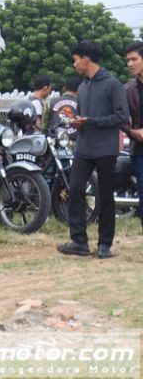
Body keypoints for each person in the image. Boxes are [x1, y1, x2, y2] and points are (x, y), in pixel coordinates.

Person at [57, 40, 128, 259]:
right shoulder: (82, 86)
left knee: (105, 196)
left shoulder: (113, 84)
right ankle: (79, 241)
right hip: (84, 148)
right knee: (75, 190)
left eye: (76, 60)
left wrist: (91, 121)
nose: (74, 64)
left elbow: (121, 116)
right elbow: (84, 117)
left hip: (105, 148)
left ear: (86, 59)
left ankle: (105, 244)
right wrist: (78, 122)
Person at [122, 41, 143, 231]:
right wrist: (132, 132)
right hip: (139, 151)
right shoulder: (127, 89)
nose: (130, 64)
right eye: (128, 60)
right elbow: (119, 118)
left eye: (134, 59)